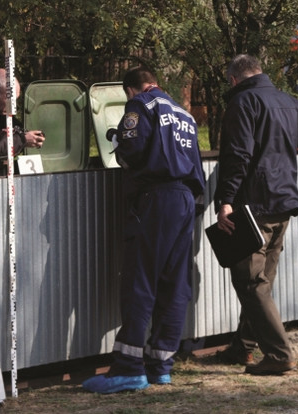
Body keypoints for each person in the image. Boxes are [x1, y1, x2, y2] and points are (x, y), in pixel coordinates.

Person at [82, 67, 206, 393]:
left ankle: (127, 369)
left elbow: (133, 149)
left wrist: (121, 146)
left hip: (155, 200)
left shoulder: (141, 105)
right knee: (174, 284)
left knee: (141, 280)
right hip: (185, 200)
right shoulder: (185, 114)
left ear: (131, 89)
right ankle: (160, 366)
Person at [213, 54, 298, 375]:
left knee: (250, 282)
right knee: (263, 281)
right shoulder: (288, 101)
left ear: (234, 79)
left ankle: (279, 355)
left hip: (253, 206)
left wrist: (226, 200)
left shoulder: (242, 104)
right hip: (284, 202)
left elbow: (238, 155)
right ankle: (242, 348)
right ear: (260, 72)